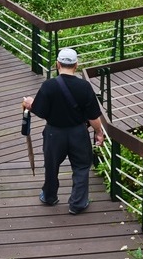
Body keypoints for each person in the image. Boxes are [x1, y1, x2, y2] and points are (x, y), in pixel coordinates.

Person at [21, 47, 105, 215]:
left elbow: (40, 110)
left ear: (57, 64)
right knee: (81, 167)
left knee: (51, 166)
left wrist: (30, 103)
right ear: (76, 65)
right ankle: (78, 204)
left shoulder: (49, 86)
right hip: (78, 133)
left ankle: (50, 196)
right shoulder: (84, 87)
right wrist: (99, 133)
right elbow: (94, 116)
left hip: (54, 133)